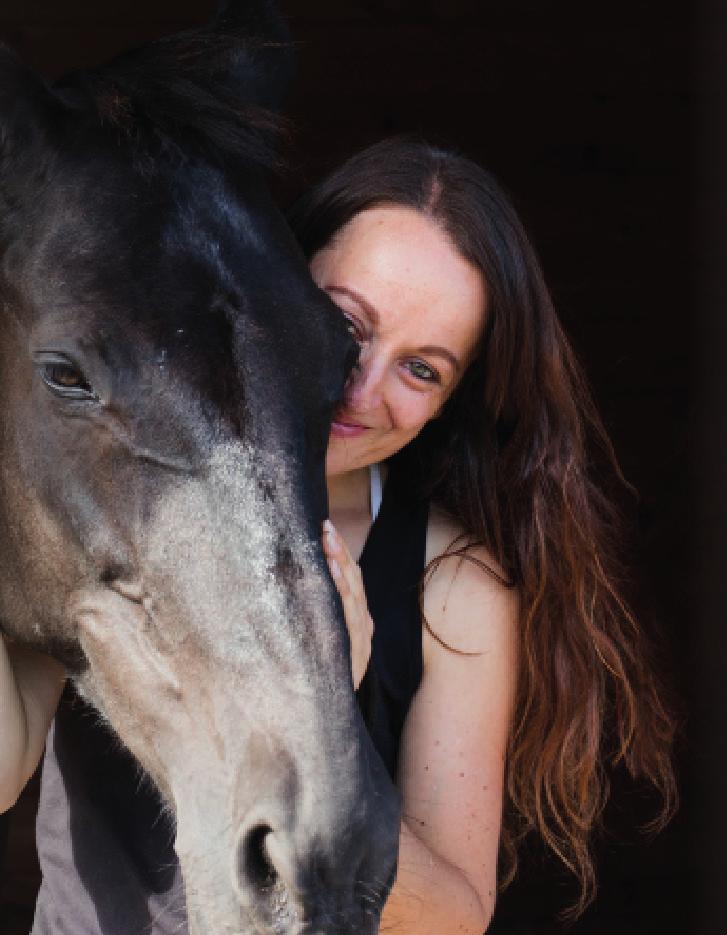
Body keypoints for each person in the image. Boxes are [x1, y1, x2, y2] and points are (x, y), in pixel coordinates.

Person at [0, 136, 676, 934]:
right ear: (269, 282)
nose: (363, 382)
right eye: (345, 321)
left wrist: (329, 718)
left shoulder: (454, 580)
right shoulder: (114, 494)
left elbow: (458, 914)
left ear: (449, 400)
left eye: (421, 368)